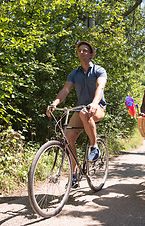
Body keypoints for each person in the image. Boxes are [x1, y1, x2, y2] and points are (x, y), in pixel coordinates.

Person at [46, 41, 107, 187]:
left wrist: (94, 103)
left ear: (91, 54)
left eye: (85, 50)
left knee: (85, 112)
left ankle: (94, 147)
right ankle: (74, 175)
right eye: (80, 50)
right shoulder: (74, 74)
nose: (82, 53)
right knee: (68, 137)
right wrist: (54, 103)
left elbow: (100, 87)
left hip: (97, 108)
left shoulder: (99, 70)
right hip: (81, 110)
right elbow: (65, 90)